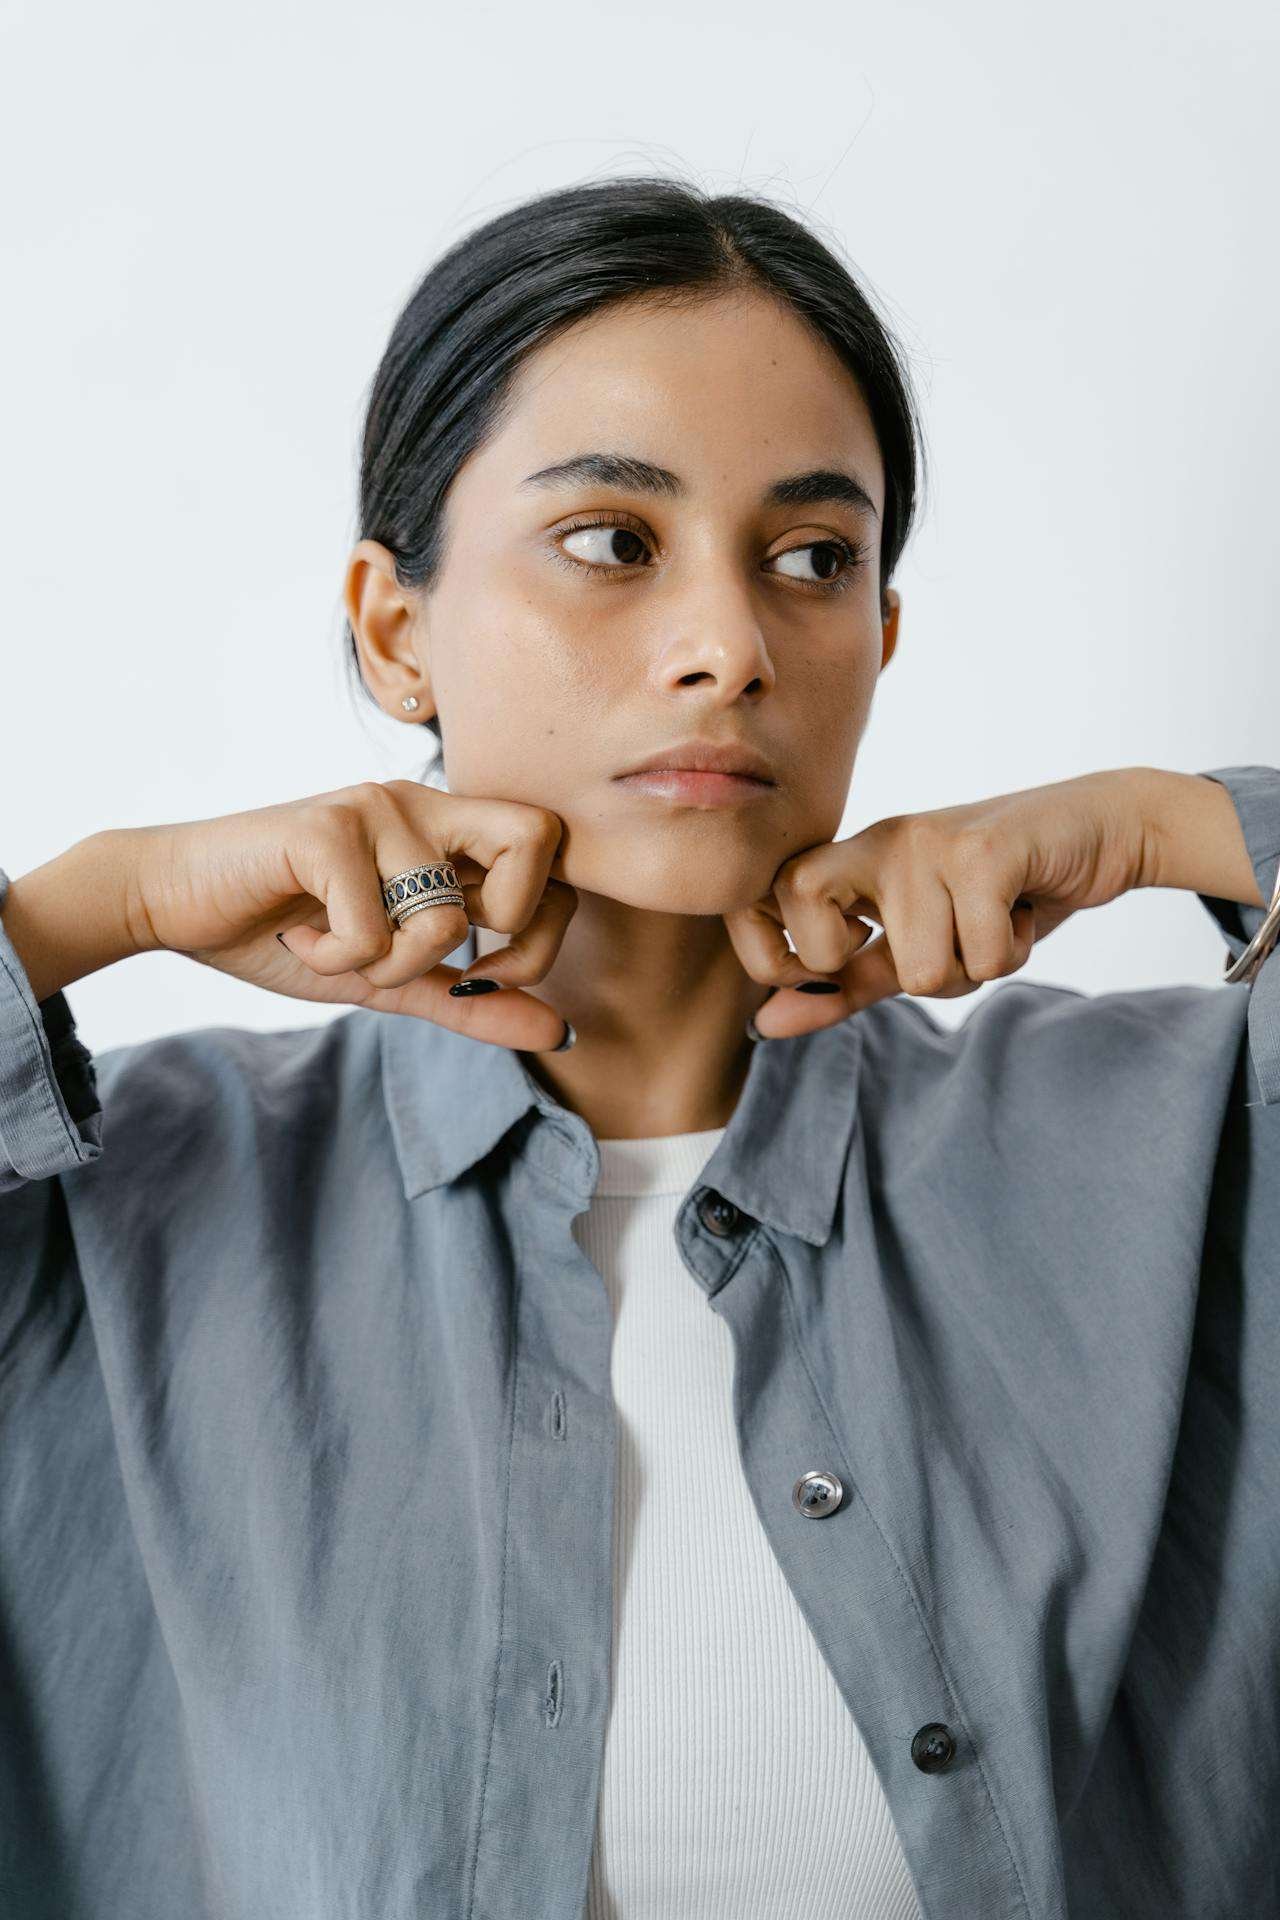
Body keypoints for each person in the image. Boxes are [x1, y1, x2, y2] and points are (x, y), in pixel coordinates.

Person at [1, 175, 1277, 1920]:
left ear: (881, 635)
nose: (729, 647)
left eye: (814, 559)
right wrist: (92, 904)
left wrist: (1170, 827)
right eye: (612, 539)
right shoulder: (124, 1220)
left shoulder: (1168, 1151)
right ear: (393, 626)